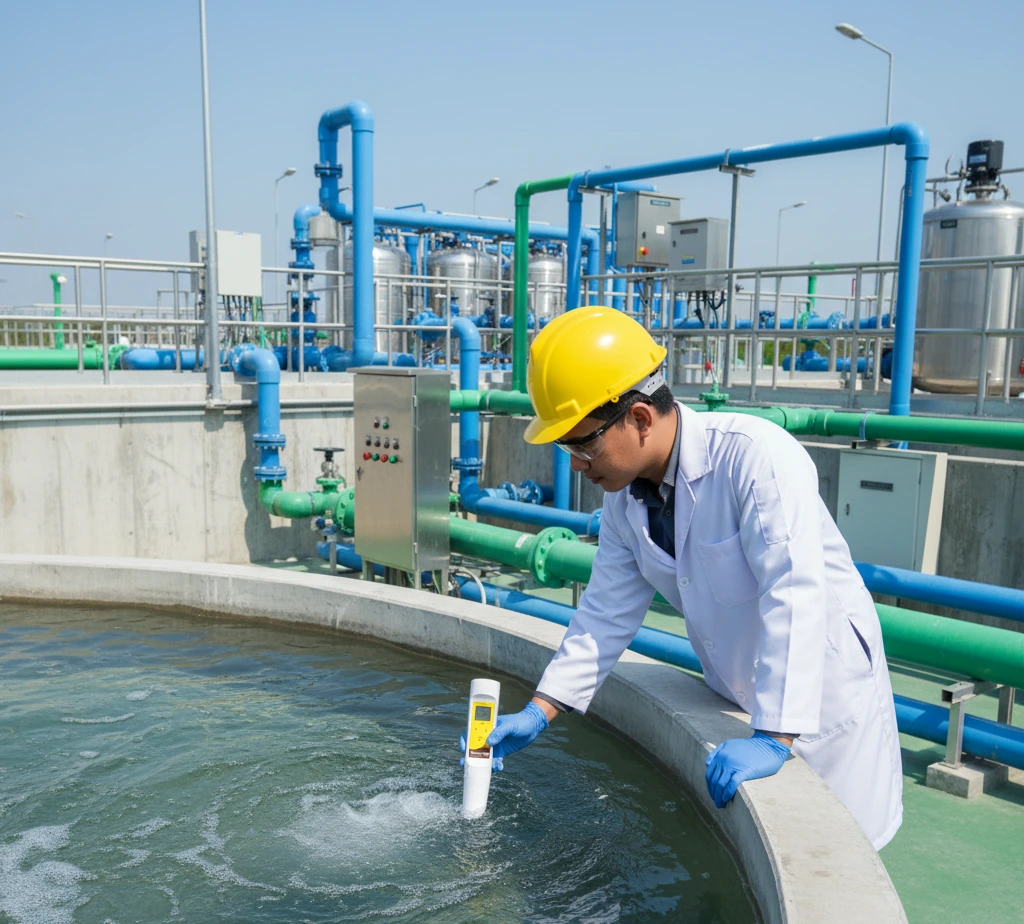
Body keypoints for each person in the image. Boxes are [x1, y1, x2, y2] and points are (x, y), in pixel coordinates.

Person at [481, 306, 902, 850]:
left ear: (638, 417)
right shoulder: (625, 498)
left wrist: (775, 735)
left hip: (823, 701)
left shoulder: (755, 458)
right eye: (567, 448)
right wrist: (542, 709)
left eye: (583, 444)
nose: (577, 464)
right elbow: (605, 611)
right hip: (746, 691)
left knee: (842, 860)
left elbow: (793, 591)